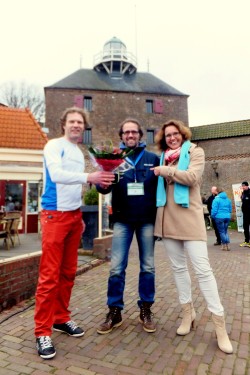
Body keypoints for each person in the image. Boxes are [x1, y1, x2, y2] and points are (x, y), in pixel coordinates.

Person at [34, 107, 115, 360]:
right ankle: (41, 331)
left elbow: (77, 186)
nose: (77, 125)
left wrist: (79, 214)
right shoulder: (53, 146)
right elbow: (57, 176)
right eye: (72, 121)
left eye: (80, 122)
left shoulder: (79, 153)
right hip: (54, 215)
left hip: (72, 216)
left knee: (68, 273)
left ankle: (60, 318)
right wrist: (89, 176)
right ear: (64, 124)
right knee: (50, 275)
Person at [152, 119, 233, 354]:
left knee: (203, 270)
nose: (172, 138)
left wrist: (165, 171)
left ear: (183, 135)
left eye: (175, 134)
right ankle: (188, 314)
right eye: (167, 135)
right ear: (163, 139)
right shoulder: (162, 157)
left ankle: (220, 327)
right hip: (167, 219)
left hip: (189, 218)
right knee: (178, 269)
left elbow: (192, 178)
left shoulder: (195, 152)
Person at [96, 118, 159, 334]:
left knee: (148, 266)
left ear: (140, 135)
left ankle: (146, 308)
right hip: (122, 220)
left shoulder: (153, 158)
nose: (130, 135)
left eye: (134, 132)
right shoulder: (114, 159)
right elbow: (103, 189)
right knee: (116, 267)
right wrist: (100, 181)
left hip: (147, 220)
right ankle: (115, 311)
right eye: (126, 132)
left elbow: (163, 189)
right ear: (121, 136)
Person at [239, 181, 250, 247]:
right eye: (242, 186)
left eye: (244, 186)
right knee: (245, 227)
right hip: (245, 213)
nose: (243, 187)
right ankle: (247, 241)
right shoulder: (243, 193)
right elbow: (243, 201)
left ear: (247, 186)